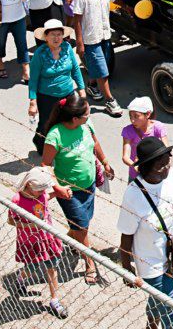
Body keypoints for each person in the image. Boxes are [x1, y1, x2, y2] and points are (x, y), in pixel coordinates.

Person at [42, 93, 114, 284]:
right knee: (82, 225)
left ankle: (73, 235)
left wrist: (105, 162)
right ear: (74, 118)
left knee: (84, 222)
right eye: (86, 115)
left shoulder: (86, 125)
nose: (88, 118)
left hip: (89, 186)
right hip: (69, 191)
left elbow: (95, 143)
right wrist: (57, 187)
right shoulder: (55, 135)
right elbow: (46, 164)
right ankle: (90, 264)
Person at [119, 137, 173, 329]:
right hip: (151, 263)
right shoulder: (133, 194)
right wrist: (126, 266)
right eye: (160, 166)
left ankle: (151, 324)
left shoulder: (171, 175)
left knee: (159, 299)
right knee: (172, 310)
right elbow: (126, 234)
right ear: (146, 167)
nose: (166, 168)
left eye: (167, 163)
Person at [8, 167, 68, 319]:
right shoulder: (17, 200)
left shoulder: (41, 195)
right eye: (40, 191)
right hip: (31, 242)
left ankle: (54, 300)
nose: (42, 193)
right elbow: (10, 220)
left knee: (52, 266)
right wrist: (31, 225)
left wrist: (62, 192)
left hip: (47, 238)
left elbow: (47, 197)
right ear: (28, 185)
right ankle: (21, 279)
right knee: (31, 267)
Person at [28, 19, 85, 155]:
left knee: (68, 121)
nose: (56, 38)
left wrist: (81, 89)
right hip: (47, 97)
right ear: (46, 37)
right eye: (53, 34)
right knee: (46, 124)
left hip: (68, 94)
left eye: (59, 34)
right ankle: (42, 145)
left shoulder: (67, 48)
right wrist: (33, 101)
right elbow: (33, 79)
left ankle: (64, 147)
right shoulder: (40, 54)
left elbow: (75, 69)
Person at [72, 0, 121, 116]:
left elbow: (114, 0)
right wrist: (79, 42)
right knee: (102, 71)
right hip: (90, 38)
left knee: (102, 65)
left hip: (105, 34)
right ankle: (110, 100)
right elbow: (77, 19)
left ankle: (92, 86)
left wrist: (127, 7)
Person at [121, 96, 170, 181]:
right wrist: (135, 165)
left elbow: (167, 150)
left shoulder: (159, 127)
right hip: (136, 175)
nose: (132, 120)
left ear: (147, 114)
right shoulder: (128, 131)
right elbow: (125, 157)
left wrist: (165, 165)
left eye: (136, 116)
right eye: (130, 116)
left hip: (155, 173)